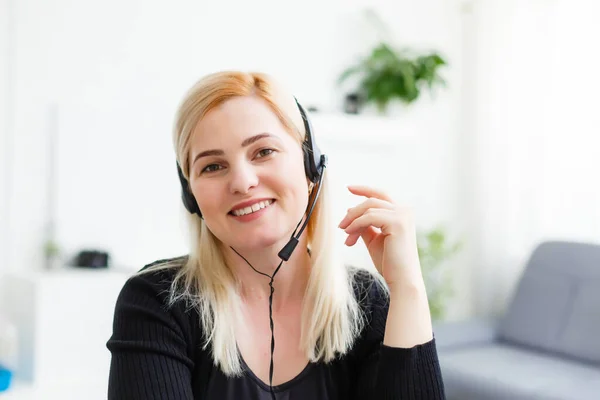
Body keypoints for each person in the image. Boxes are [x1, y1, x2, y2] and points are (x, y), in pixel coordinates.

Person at [106, 70, 446, 399]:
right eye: (212, 166)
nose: (242, 181)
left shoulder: (366, 304)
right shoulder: (157, 301)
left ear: (310, 165)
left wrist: (408, 287)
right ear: (191, 194)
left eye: (263, 151)